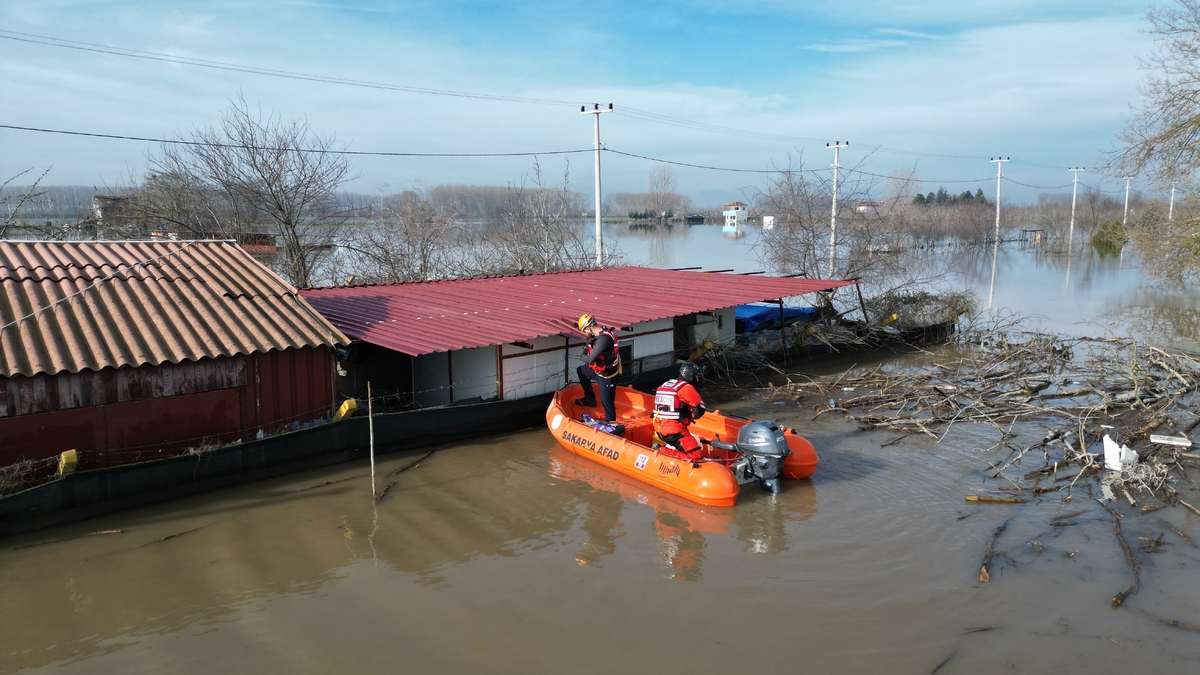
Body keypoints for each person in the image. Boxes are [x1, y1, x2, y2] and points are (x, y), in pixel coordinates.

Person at [653, 362, 707, 462]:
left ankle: (665, 452)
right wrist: (689, 415)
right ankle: (661, 451)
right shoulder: (686, 388)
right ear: (690, 375)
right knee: (696, 456)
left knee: (683, 447)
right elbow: (699, 411)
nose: (697, 380)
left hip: (659, 428)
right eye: (696, 377)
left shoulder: (664, 385)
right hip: (674, 430)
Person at [575, 313, 621, 425]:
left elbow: (590, 359)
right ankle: (590, 398)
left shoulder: (603, 340)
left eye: (585, 331)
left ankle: (611, 425)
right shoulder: (597, 335)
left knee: (607, 402)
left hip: (607, 375)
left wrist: (581, 356)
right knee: (581, 371)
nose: (585, 333)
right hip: (597, 370)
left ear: (588, 328)